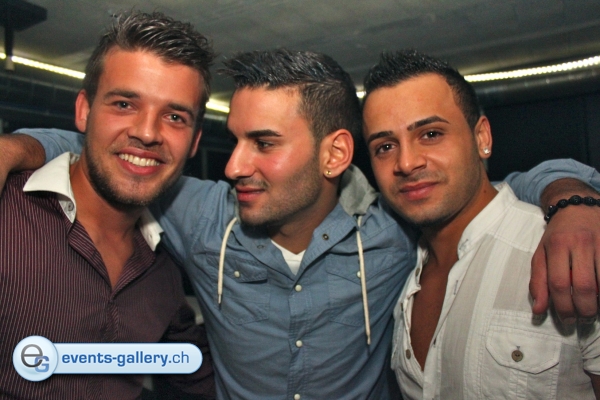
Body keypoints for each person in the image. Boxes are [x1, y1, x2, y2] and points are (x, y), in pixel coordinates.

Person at [3, 49, 600, 399]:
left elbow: (491, 186)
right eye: (235, 140)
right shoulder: (198, 212)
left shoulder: (393, 228)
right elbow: (119, 155)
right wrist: (19, 145)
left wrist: (571, 199)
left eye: (263, 143)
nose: (233, 165)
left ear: (335, 154)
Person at [0, 11, 216, 399]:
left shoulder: (162, 270)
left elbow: (193, 376)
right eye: (124, 104)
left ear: (194, 142)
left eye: (174, 116)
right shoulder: (8, 216)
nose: (147, 133)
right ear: (84, 111)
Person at [361, 49, 600, 399]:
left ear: (482, 138)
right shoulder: (399, 265)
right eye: (385, 146)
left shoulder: (571, 249)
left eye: (431, 134)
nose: (406, 163)